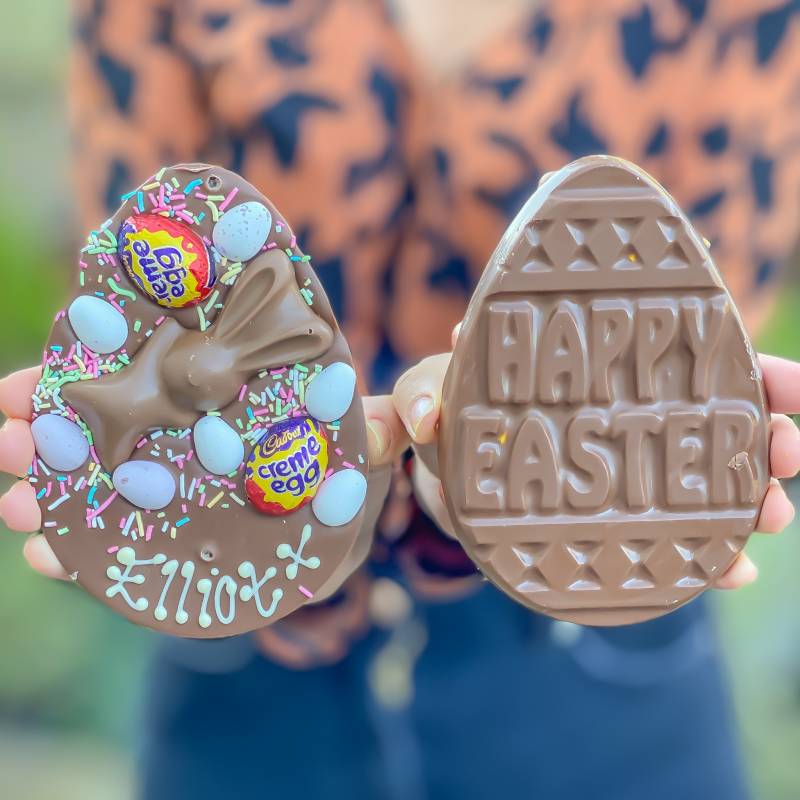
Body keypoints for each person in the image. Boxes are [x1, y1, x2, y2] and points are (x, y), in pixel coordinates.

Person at [2, 0, 800, 796]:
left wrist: (469, 482)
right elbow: (140, 281)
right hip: (236, 615)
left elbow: (684, 364)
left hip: (594, 651)